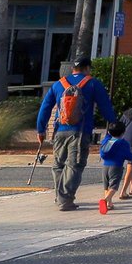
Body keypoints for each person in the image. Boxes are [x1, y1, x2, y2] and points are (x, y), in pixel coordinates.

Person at [34, 57, 117, 212]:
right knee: (75, 165)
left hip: (60, 131)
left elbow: (45, 108)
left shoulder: (59, 84)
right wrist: (114, 124)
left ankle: (60, 196)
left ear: (73, 69)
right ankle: (65, 199)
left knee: (59, 164)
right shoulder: (92, 83)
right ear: (87, 68)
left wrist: (41, 130)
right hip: (80, 132)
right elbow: (105, 107)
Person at [98, 120, 132, 215]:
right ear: (123, 132)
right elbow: (130, 156)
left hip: (105, 166)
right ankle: (105, 200)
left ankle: (109, 204)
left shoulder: (106, 140)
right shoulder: (123, 143)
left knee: (107, 186)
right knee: (114, 186)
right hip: (116, 166)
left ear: (110, 132)